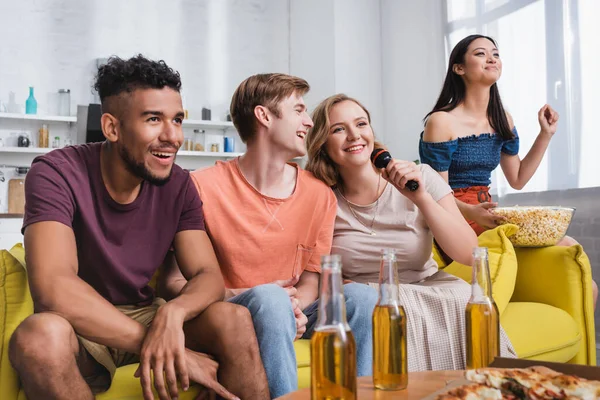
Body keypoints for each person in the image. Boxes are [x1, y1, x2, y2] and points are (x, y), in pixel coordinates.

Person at [8, 55, 269, 400]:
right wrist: (161, 345)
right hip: (81, 325)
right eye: (153, 119)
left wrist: (173, 315)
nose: (172, 136)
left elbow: (208, 275)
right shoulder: (56, 173)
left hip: (148, 312)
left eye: (177, 120)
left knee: (232, 320)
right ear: (112, 128)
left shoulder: (180, 185)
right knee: (38, 337)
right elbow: (54, 288)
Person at [161, 73, 377, 398]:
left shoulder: (319, 195)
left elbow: (311, 280)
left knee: (363, 297)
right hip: (234, 309)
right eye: (299, 110)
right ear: (264, 116)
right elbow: (172, 282)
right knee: (270, 298)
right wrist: (257, 298)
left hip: (292, 310)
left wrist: (293, 312)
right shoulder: (202, 187)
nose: (308, 122)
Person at [305, 93, 515, 370]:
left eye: (361, 124)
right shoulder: (320, 198)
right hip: (366, 299)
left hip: (427, 287)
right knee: (378, 306)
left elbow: (468, 253)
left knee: (465, 296)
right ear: (322, 143)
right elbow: (312, 270)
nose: (354, 135)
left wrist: (421, 198)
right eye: (339, 129)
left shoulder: (422, 177)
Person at [419, 34, 597, 307]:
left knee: (581, 271)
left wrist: (545, 134)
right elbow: (436, 193)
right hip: (453, 218)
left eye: (496, 53)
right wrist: (471, 212)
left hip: (486, 213)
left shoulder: (503, 118)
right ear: (459, 68)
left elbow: (518, 178)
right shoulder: (441, 121)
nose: (491, 58)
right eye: (480, 54)